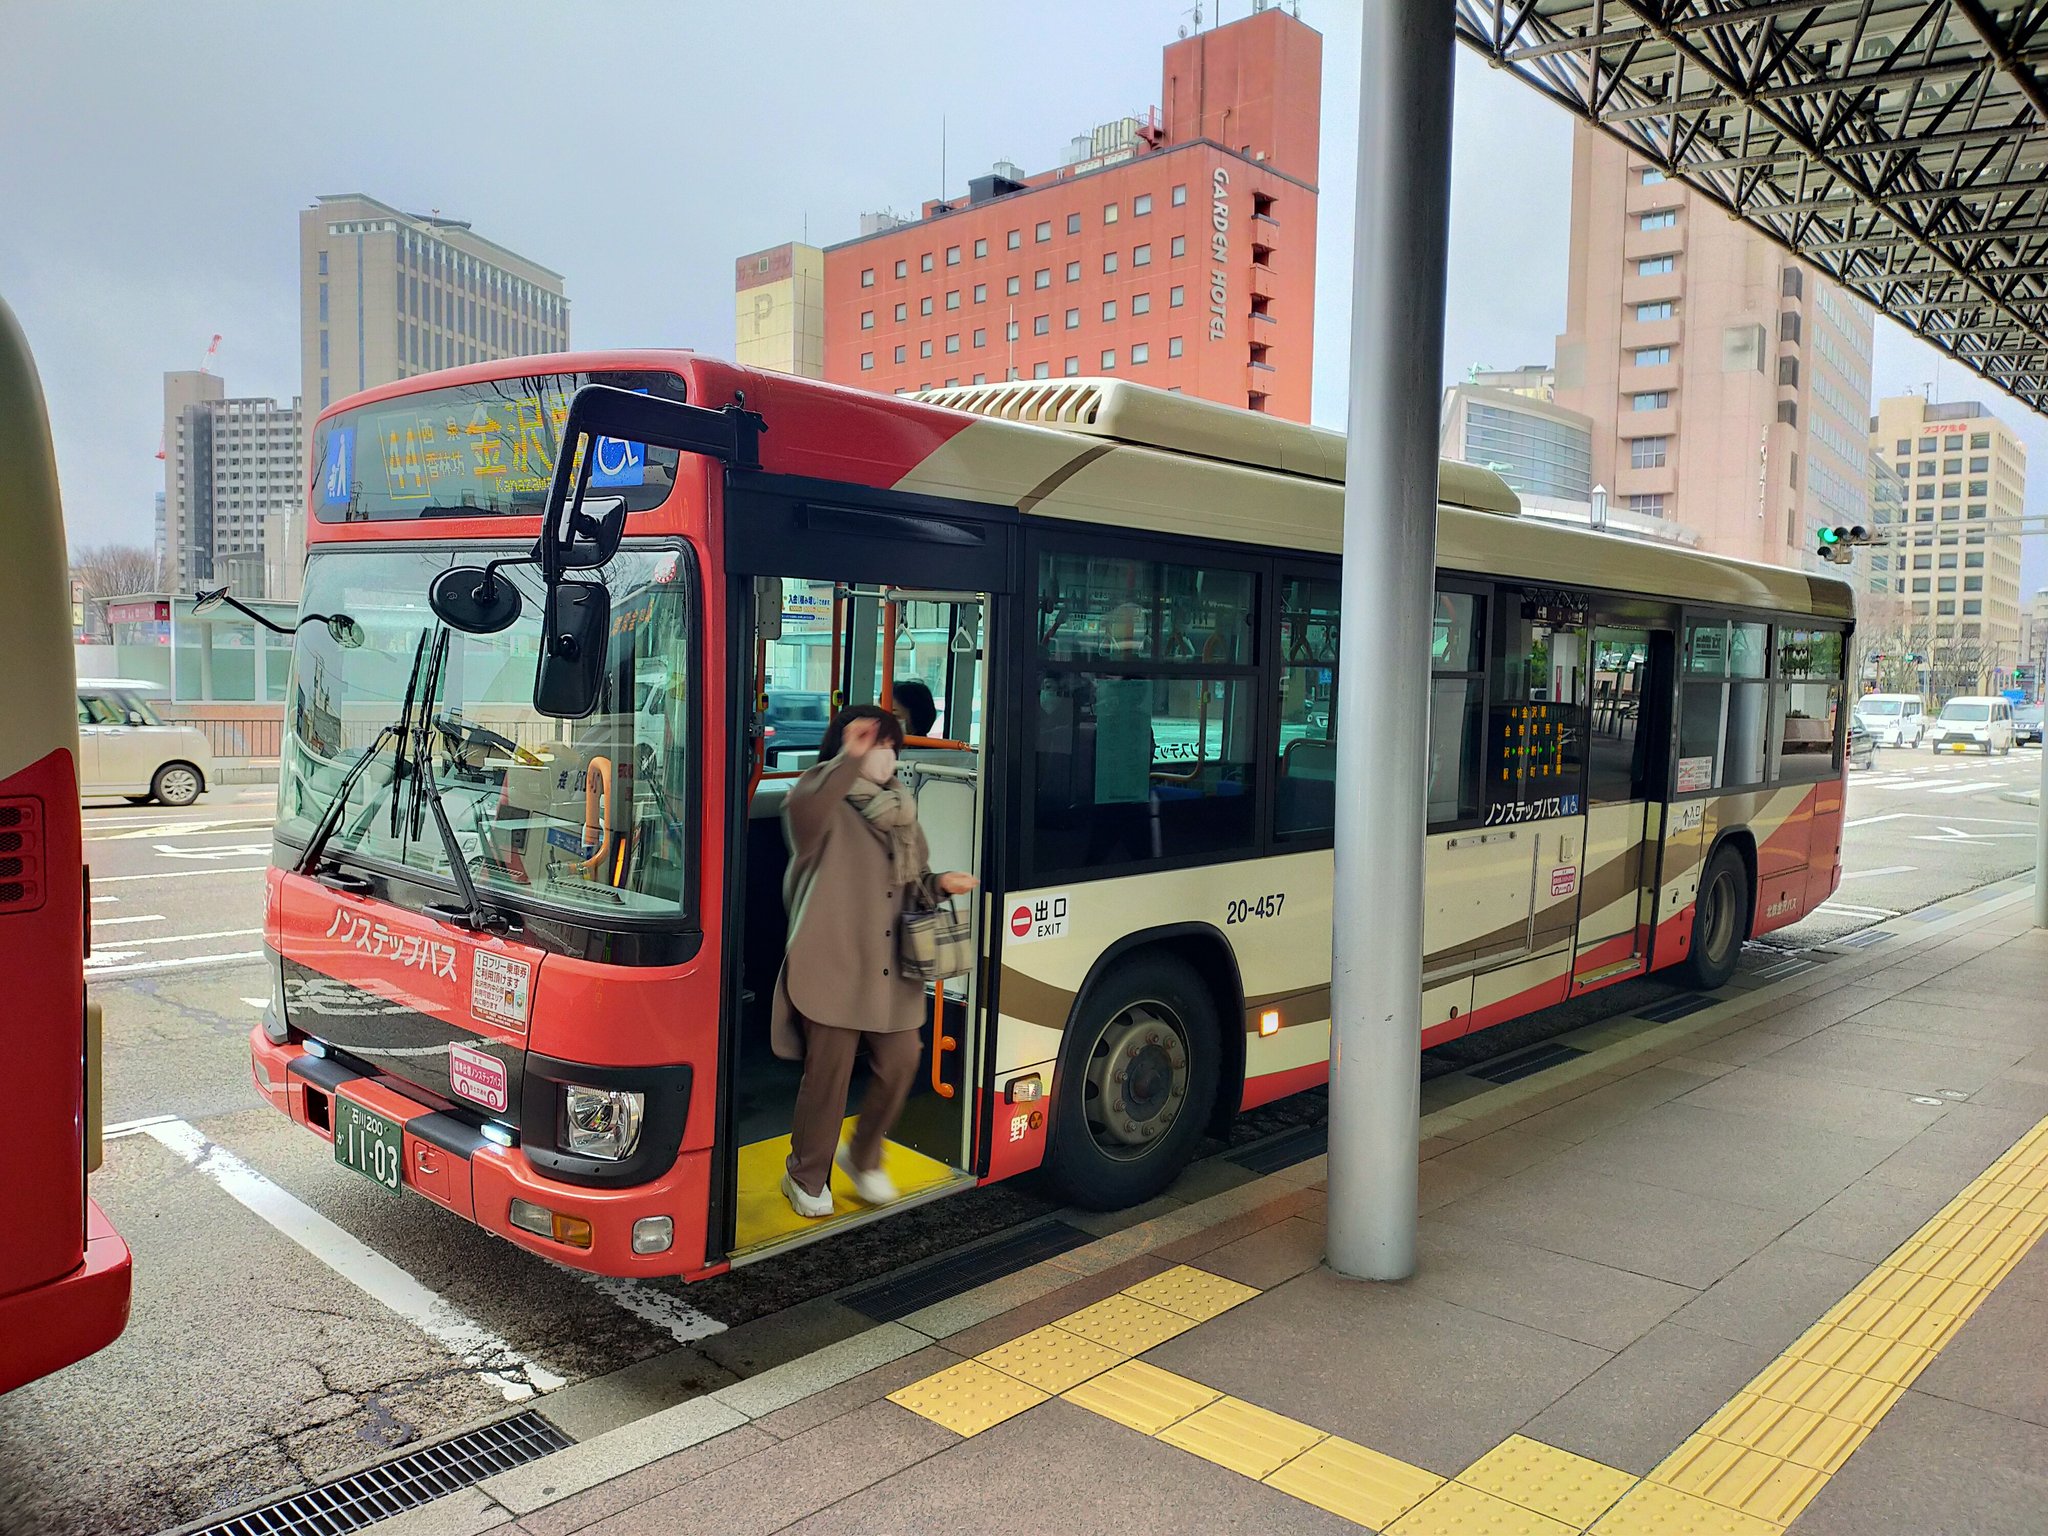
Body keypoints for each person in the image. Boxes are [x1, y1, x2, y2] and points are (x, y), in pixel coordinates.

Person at [770, 705, 976, 1218]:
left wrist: (939, 884)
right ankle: (805, 1174)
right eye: (868, 741)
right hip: (833, 963)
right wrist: (848, 759)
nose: (881, 753)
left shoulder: (901, 810)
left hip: (890, 968)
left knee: (903, 1059)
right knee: (828, 1077)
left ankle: (862, 1155)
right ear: (842, 745)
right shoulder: (817, 798)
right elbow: (805, 816)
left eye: (887, 744)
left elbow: (915, 880)